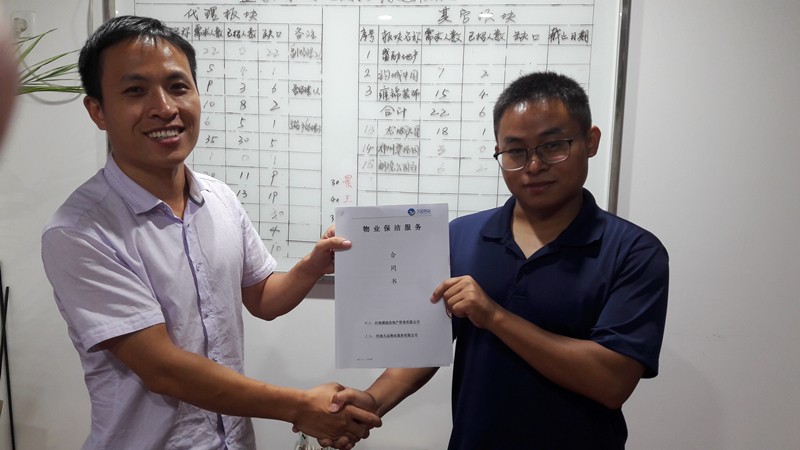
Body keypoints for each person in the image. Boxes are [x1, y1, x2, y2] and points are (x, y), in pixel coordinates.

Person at [40, 16, 379, 450]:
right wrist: (299, 407)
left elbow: (263, 298)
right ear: (98, 111)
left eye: (178, 86)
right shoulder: (80, 232)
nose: (165, 108)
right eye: (135, 91)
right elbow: (163, 369)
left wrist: (314, 265)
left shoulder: (219, 198)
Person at [326, 72, 669, 450]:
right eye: (516, 152)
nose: (534, 166)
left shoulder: (634, 252)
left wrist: (494, 317)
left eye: (553, 146)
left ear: (591, 141)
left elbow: (612, 382)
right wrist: (372, 402)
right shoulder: (461, 236)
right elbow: (427, 344)